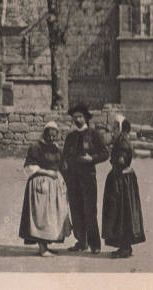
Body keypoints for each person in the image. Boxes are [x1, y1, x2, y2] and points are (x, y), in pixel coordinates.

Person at [18, 121, 72, 257]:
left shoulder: (55, 148)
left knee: (51, 217)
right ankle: (42, 248)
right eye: (50, 135)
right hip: (40, 184)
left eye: (54, 136)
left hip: (54, 186)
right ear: (45, 133)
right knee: (41, 216)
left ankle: (46, 245)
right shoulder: (36, 147)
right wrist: (47, 173)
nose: (52, 138)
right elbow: (29, 167)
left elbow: (61, 164)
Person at [62, 103, 108, 253]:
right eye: (75, 117)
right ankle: (81, 242)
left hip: (88, 178)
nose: (77, 119)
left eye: (80, 116)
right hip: (73, 179)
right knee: (76, 209)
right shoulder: (70, 137)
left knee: (89, 210)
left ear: (86, 118)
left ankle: (95, 245)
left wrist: (92, 159)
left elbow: (105, 154)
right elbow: (64, 157)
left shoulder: (93, 135)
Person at [101, 116, 146, 258]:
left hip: (121, 180)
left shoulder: (122, 142)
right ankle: (124, 246)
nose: (113, 129)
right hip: (122, 178)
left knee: (122, 212)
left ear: (120, 128)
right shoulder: (121, 140)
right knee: (121, 212)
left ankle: (125, 248)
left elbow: (121, 161)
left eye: (115, 127)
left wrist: (117, 169)